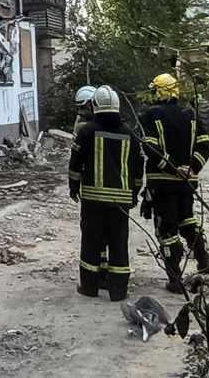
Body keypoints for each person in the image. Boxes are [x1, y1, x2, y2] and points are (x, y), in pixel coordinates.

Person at [140, 73, 209, 293]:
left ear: (159, 91)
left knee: (167, 229)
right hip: (186, 183)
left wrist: (173, 166)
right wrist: (192, 167)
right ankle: (204, 262)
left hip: (163, 183)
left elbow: (151, 148)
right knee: (188, 220)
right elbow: (206, 145)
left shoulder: (150, 115)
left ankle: (175, 277)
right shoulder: (189, 114)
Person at [69, 84, 144, 301]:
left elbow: (75, 165)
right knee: (119, 244)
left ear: (95, 105)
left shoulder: (86, 132)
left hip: (92, 201)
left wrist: (73, 187)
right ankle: (118, 291)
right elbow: (138, 167)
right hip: (120, 202)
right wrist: (135, 192)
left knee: (91, 243)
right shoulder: (129, 134)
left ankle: (90, 288)